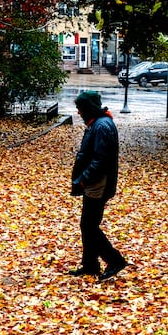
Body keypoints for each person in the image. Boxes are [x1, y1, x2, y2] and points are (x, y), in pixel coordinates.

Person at [70, 91, 129, 281]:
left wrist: (84, 178)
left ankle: (115, 260)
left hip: (97, 184)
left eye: (80, 108)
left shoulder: (101, 126)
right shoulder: (98, 123)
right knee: (88, 225)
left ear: (88, 108)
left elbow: (100, 159)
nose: (78, 112)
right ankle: (90, 265)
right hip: (95, 182)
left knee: (89, 226)